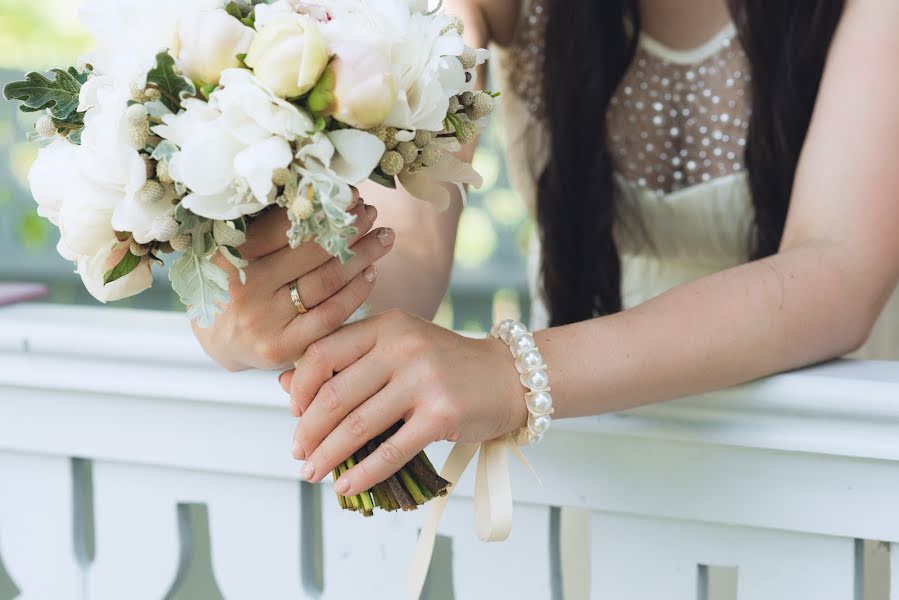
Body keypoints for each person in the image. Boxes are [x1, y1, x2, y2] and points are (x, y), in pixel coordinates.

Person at [192, 0, 899, 500]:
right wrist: (283, 299)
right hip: (604, 466)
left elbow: (832, 271)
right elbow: (404, 244)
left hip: (844, 458)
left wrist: (510, 373)